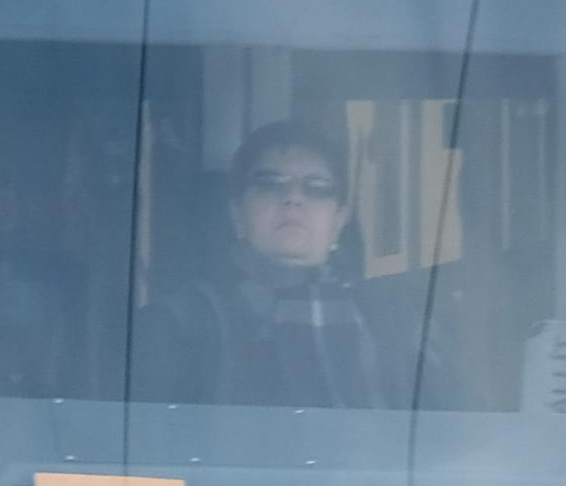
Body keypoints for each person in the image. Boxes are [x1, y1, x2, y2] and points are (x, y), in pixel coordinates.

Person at [134, 120, 394, 413]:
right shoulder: (173, 326)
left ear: (339, 220)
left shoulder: (387, 322)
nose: (293, 199)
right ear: (237, 213)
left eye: (317, 189)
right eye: (270, 185)